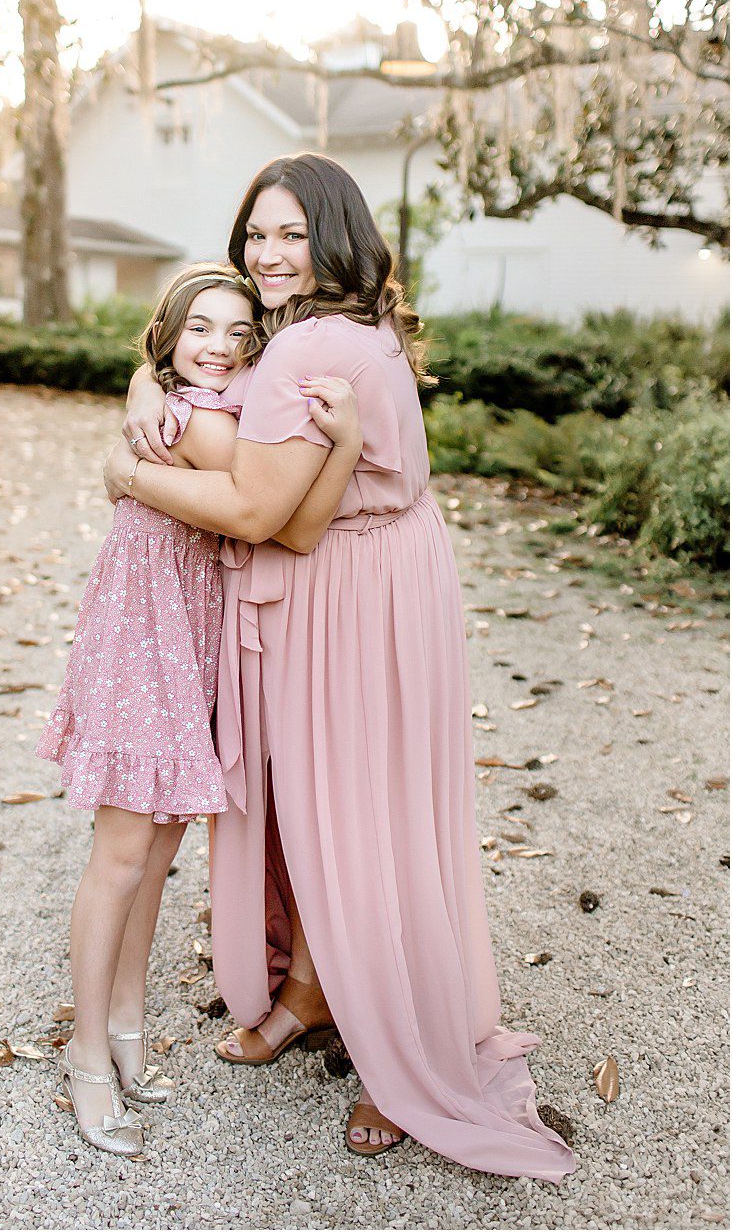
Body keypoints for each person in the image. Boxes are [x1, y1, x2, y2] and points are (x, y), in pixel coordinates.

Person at [105, 154, 577, 1183]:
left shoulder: (306, 348)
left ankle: (401, 1051)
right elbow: (200, 352)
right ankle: (316, 986)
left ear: (333, 236)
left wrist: (129, 470)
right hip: (382, 570)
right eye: (255, 236)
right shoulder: (336, 326)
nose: (268, 256)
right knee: (344, 808)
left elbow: (252, 512)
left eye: (289, 235)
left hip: (349, 588)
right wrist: (150, 375)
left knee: (362, 819)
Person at [37, 260, 362, 1157]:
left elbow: (206, 405)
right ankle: (87, 1053)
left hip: (194, 629)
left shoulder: (213, 400)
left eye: (237, 332)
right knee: (122, 850)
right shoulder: (191, 421)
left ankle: (130, 1025)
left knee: (165, 842)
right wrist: (340, 446)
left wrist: (143, 385)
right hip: (143, 634)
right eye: (199, 329)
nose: (219, 347)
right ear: (168, 337)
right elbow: (286, 521)